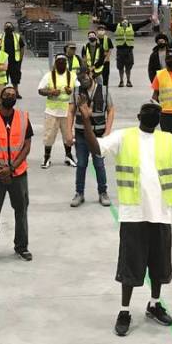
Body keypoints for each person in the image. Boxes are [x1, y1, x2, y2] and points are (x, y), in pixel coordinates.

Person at [76, 100, 172, 337]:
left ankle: (154, 303)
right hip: (133, 213)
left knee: (159, 265)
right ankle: (125, 310)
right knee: (130, 265)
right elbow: (97, 148)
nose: (152, 115)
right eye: (148, 112)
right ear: (139, 116)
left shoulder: (167, 140)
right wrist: (86, 121)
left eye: (155, 113)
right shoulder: (124, 137)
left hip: (160, 213)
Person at [0, 85, 33, 263]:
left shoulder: (23, 117)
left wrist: (12, 167)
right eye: (7, 94)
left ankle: (22, 246)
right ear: (0, 98)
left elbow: (27, 145)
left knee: (21, 210)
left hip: (18, 174)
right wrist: (1, 169)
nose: (10, 96)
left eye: (13, 94)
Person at [67, 68, 114, 206]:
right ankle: (79, 193)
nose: (83, 81)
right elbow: (70, 112)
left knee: (99, 164)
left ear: (91, 75)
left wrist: (108, 131)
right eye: (80, 79)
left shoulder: (104, 90)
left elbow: (111, 110)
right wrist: (68, 133)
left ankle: (103, 192)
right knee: (81, 164)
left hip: (99, 134)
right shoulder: (76, 91)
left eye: (85, 78)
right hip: (81, 133)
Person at [37, 54, 75, 168]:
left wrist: (71, 91)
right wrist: (50, 92)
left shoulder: (72, 76)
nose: (61, 64)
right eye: (59, 62)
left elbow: (79, 88)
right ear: (55, 63)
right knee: (49, 135)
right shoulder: (48, 76)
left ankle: (68, 156)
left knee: (67, 135)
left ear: (66, 63)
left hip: (67, 111)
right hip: (52, 111)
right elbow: (40, 90)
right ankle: (47, 157)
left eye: (63, 62)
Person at [0, 22, 24, 89]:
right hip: (3, 62)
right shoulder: (0, 37)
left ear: (12, 28)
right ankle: (2, 92)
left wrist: (20, 59)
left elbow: (22, 48)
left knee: (15, 79)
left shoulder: (17, 37)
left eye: (9, 27)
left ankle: (16, 92)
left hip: (15, 61)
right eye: (6, 27)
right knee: (3, 78)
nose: (8, 28)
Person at [114, 18, 135, 87]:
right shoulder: (116, 27)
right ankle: (121, 81)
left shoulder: (132, 27)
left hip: (129, 50)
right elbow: (108, 25)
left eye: (126, 20)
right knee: (120, 67)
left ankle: (128, 81)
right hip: (120, 50)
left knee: (128, 67)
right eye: (123, 20)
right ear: (121, 21)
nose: (124, 22)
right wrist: (98, 21)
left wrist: (149, 20)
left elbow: (141, 24)